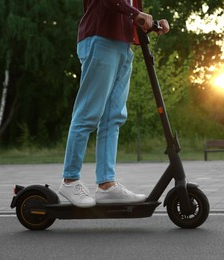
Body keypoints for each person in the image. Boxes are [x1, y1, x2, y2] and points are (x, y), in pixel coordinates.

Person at [59, 0, 170, 208]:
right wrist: (136, 13)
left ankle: (106, 186)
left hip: (122, 44)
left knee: (114, 117)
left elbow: (131, 13)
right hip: (99, 38)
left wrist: (152, 22)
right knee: (88, 113)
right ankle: (70, 180)